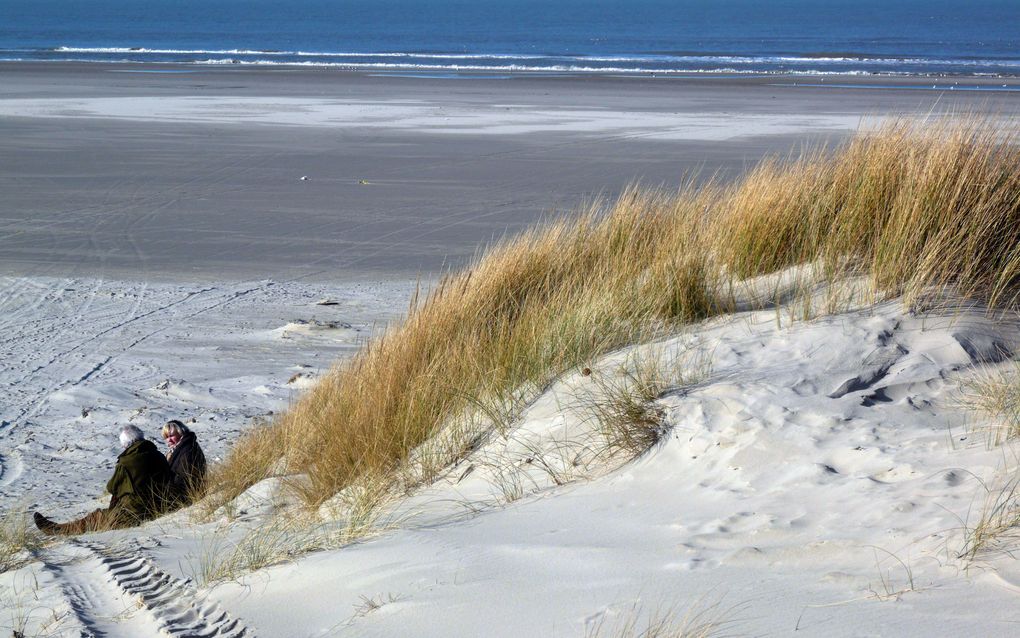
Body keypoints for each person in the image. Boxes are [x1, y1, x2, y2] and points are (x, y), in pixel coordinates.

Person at [34, 424, 171, 535]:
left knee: (95, 517)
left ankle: (56, 530)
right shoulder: (158, 455)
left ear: (126, 443)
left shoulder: (127, 461)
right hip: (160, 506)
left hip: (135, 513)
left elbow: (112, 487)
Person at [162, 419, 207, 506]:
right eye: (166, 437)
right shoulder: (175, 450)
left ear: (181, 433)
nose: (169, 440)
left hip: (186, 498)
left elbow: (185, 478)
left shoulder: (188, 449)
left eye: (171, 436)